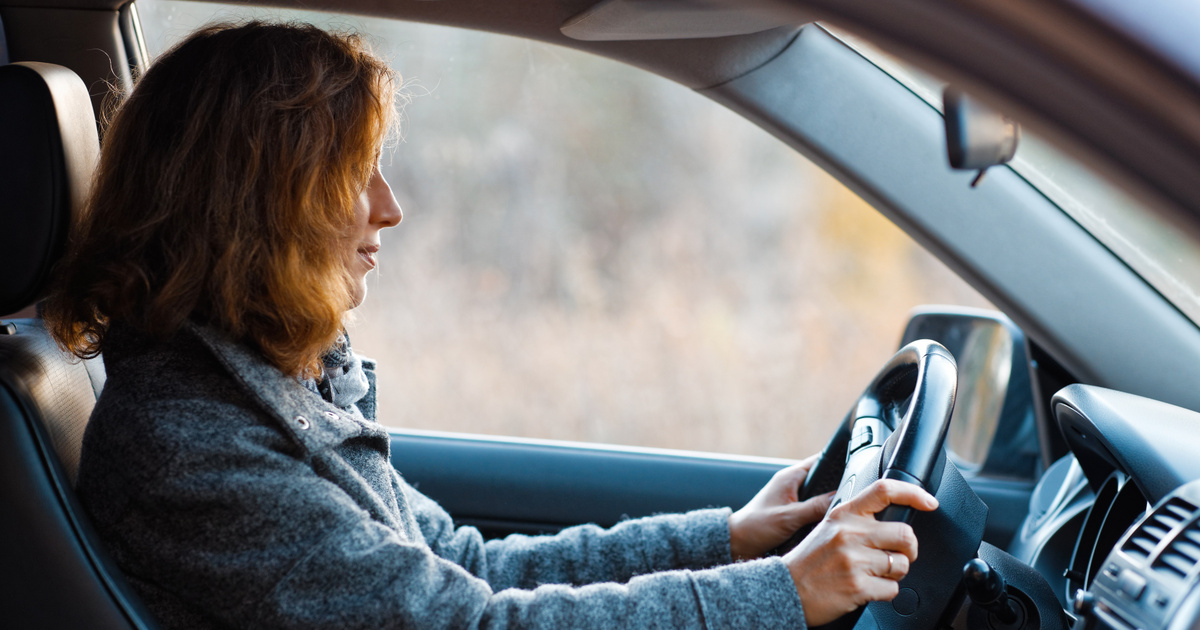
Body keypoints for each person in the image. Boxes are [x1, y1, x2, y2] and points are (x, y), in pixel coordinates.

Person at [44, 21, 938, 629]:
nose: (390, 209)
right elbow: (463, 622)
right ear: (257, 205)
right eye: (355, 176)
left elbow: (459, 562)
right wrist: (783, 594)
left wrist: (730, 539)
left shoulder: (254, 389)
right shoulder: (190, 449)